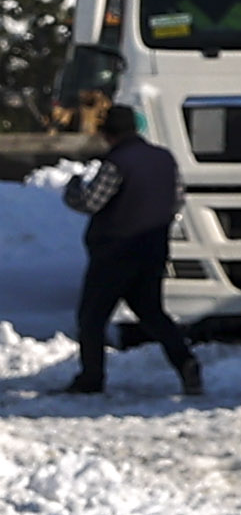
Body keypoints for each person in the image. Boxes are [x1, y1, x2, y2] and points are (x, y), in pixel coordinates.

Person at [60, 98, 205, 401]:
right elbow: (177, 199)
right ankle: (186, 362)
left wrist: (72, 190)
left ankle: (91, 378)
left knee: (92, 317)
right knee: (152, 313)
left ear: (109, 134)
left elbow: (91, 202)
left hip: (114, 251)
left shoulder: (117, 163)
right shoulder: (164, 159)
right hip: (153, 249)